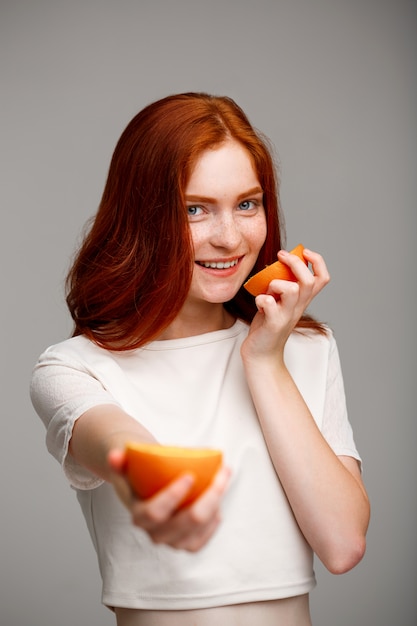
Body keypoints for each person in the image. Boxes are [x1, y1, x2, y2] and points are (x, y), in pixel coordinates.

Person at [30, 92, 370, 626]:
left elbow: (343, 543)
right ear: (142, 217)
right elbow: (115, 442)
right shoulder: (74, 368)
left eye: (247, 203)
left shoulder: (305, 349)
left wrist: (264, 361)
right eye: (195, 209)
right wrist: (149, 477)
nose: (229, 237)